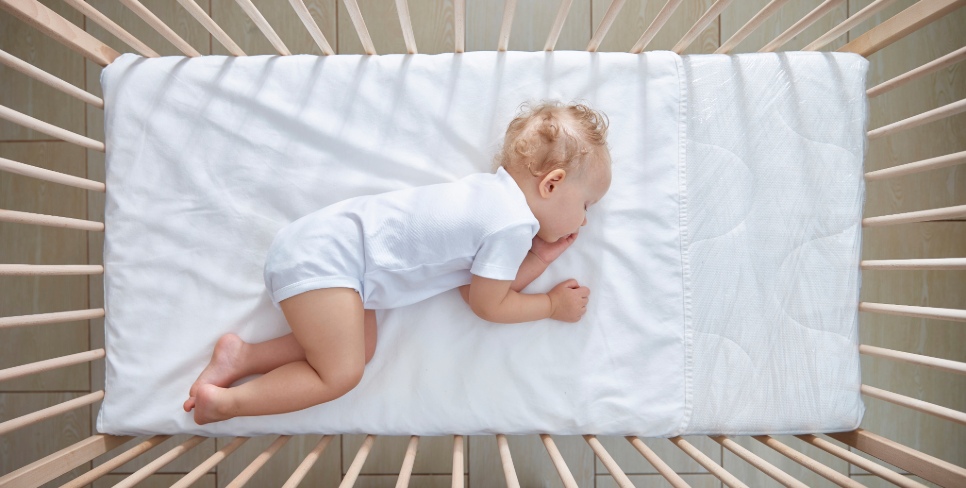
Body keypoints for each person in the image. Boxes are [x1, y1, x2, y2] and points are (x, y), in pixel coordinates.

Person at [183, 100, 613, 425]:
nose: (585, 220)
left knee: (359, 347)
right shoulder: (511, 225)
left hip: (325, 251)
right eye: (586, 204)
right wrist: (551, 306)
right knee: (340, 375)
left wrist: (538, 258)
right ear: (552, 184)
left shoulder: (488, 195)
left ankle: (242, 357)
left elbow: (475, 286)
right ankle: (228, 404)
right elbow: (487, 304)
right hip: (327, 262)